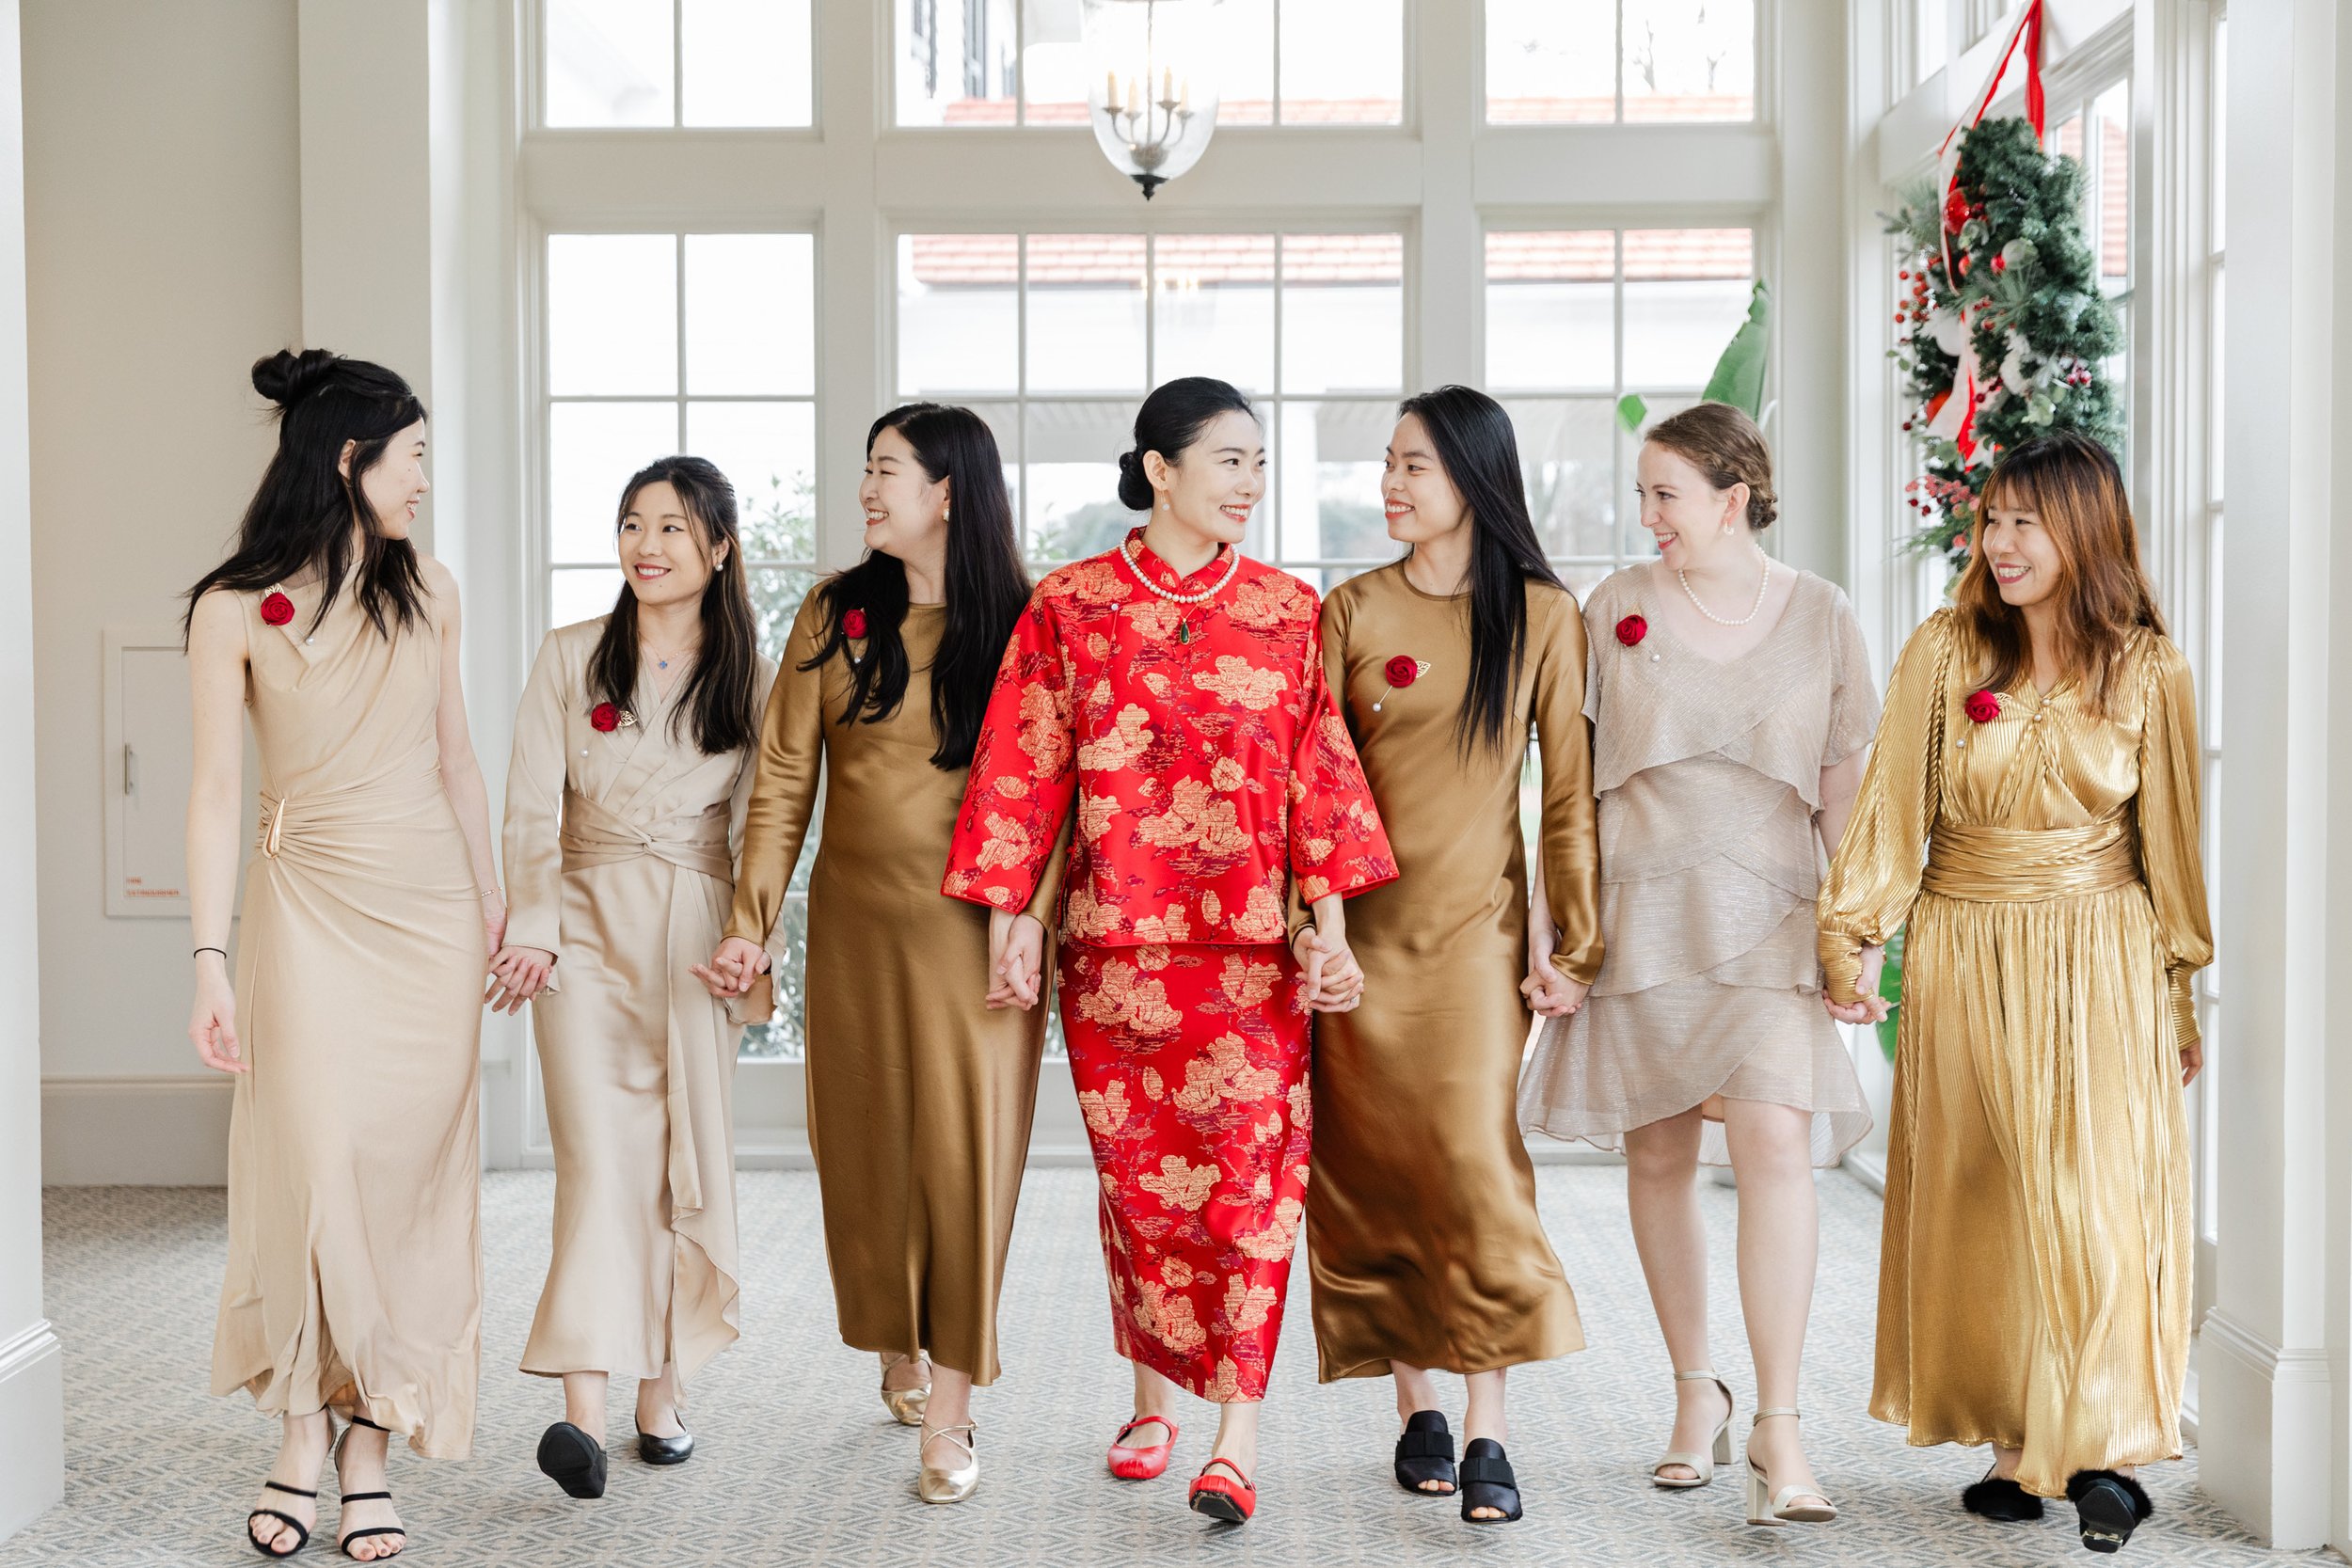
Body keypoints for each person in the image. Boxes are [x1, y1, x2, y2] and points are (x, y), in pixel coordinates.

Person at [941, 376, 1396, 1527]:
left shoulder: (1288, 610)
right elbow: (1023, 768)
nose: (1250, 482)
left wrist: (1331, 933)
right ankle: (1152, 1401)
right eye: (1229, 459)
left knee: (1248, 1194)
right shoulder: (1068, 605)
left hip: (1250, 960)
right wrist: (1010, 923)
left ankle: (1236, 1438)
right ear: (1159, 468)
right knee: (1143, 1197)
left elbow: (1319, 779)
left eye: (1258, 463)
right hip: (1115, 956)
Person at [1818, 431, 2210, 1554]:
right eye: (1991, 518)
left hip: (2101, 950)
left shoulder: (2148, 668)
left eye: (2024, 521)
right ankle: (2011, 1440)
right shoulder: (1945, 648)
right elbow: (1892, 807)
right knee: (1986, 1190)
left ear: (2085, 530)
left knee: (2095, 1195)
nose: (1998, 540)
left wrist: (2176, 991)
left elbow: (2170, 844)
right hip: (1964, 944)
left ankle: (2101, 1448)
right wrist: (1852, 935)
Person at [1518, 401, 1875, 1528]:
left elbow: (1844, 794)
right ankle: (1692, 1392)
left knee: (1774, 1141)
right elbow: (1568, 788)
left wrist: (1859, 929)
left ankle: (1779, 1425)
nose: (1647, 515)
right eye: (1642, 494)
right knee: (1659, 1150)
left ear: (1733, 498)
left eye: (1664, 493)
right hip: (1641, 916)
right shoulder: (1612, 606)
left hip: (1771, 916)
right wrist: (1553, 926)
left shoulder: (1822, 613)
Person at [699, 404, 1056, 1504]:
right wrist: (751, 918)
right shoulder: (835, 611)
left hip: (978, 935)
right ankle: (898, 1338)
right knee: (866, 1150)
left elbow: (1062, 789)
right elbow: (782, 779)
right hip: (854, 925)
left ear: (946, 489)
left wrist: (1031, 915)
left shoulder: (1030, 619)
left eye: (886, 469)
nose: (866, 487)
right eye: (866, 468)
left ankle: (950, 1405)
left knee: (965, 1156)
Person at [186, 350, 497, 1561]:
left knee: (406, 1182)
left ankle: (370, 1441)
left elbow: (457, 758)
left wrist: (495, 908)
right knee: (314, 1166)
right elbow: (217, 791)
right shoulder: (231, 608)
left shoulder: (433, 590)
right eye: (412, 457)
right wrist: (208, 958)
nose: (424, 480)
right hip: (304, 909)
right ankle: (300, 1427)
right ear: (350, 458)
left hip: (430, 919)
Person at [1304, 387, 1599, 1525]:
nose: (1389, 483)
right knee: (1378, 1168)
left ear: (1473, 477)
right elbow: (1309, 793)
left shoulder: (1543, 615)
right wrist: (1314, 933)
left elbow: (1566, 798)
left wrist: (1571, 941)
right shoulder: (1350, 609)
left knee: (1474, 1162)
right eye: (1386, 463)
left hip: (1478, 943)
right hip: (1360, 948)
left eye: (1412, 465)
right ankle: (1416, 1400)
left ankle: (1488, 1422)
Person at [491, 455, 777, 1499]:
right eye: (631, 524)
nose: (646, 546)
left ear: (719, 548)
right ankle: (584, 1409)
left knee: (678, 1163)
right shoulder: (570, 654)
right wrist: (532, 928)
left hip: (696, 936)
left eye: (671, 527)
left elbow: (767, 817)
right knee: (597, 1164)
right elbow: (529, 804)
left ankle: (664, 1388)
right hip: (579, 933)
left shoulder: (751, 675)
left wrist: (752, 933)